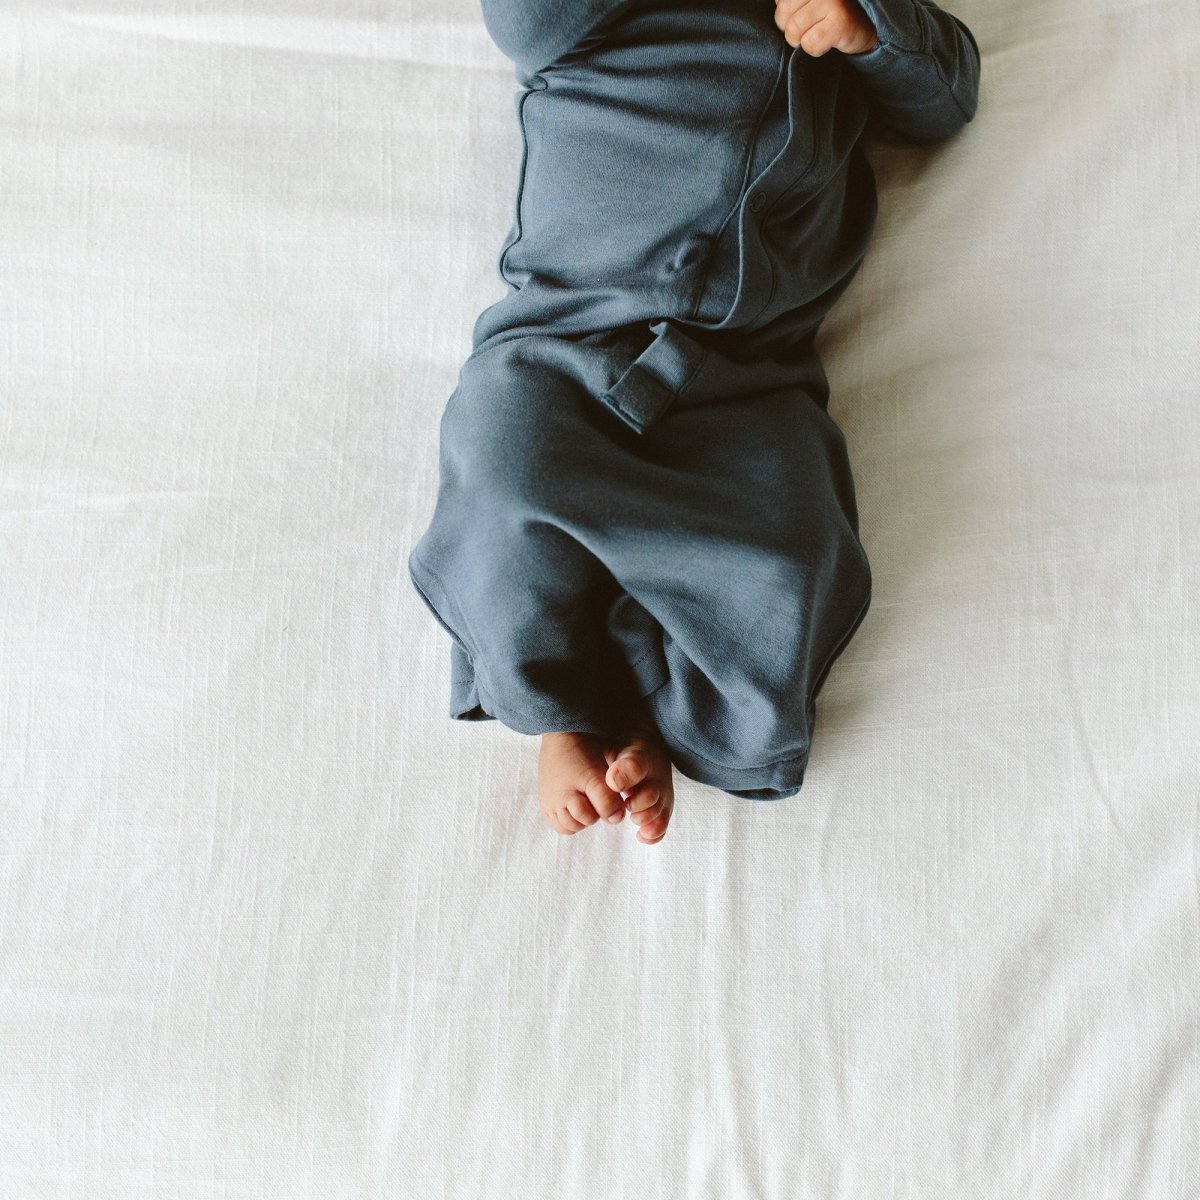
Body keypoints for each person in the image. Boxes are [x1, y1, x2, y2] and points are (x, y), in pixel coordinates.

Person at [408, 0, 982, 844]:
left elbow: (947, 95)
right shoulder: (584, 23)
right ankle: (563, 706)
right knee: (506, 456)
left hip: (747, 377)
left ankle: (651, 707)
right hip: (571, 336)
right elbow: (524, 18)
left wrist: (869, 27)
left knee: (790, 544)